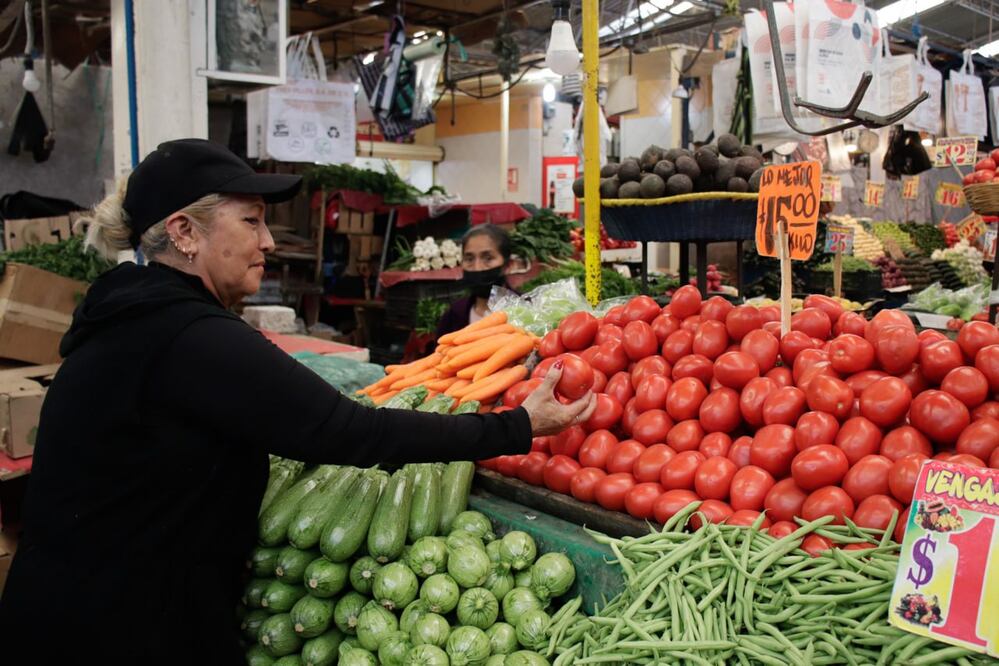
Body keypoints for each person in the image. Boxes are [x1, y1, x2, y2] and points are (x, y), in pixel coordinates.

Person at [0, 139, 594, 664]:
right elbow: (356, 433)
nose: (266, 242)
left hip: (73, 610)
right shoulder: (191, 338)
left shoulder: (126, 320)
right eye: (252, 222)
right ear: (184, 232)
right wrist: (517, 426)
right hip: (117, 633)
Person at [436, 224, 515, 339]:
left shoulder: (528, 311)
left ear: (508, 265)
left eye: (488, 258)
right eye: (469, 259)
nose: (477, 267)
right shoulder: (453, 315)